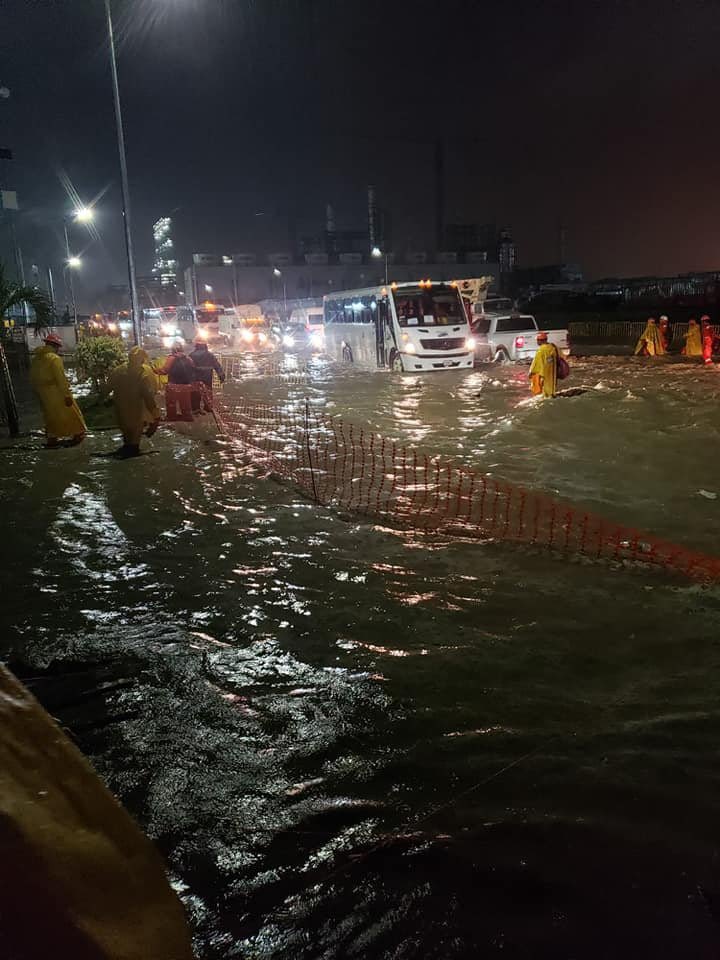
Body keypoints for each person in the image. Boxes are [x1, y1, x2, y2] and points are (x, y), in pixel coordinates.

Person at [29, 333, 86, 447]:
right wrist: (67, 395)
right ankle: (77, 434)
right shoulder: (54, 359)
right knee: (70, 412)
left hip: (42, 392)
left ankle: (52, 437)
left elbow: (32, 376)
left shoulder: (36, 358)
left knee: (49, 415)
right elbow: (60, 378)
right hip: (55, 391)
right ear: (55, 346)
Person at [106, 346, 161, 458]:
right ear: (141, 360)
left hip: (120, 409)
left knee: (126, 434)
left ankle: (126, 451)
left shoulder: (118, 370)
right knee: (134, 440)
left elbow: (106, 388)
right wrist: (156, 417)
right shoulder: (142, 374)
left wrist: (100, 401)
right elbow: (148, 397)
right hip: (136, 411)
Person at [156, 340, 195, 422]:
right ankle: (187, 416)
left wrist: (155, 370)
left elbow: (164, 371)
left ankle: (172, 416)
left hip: (173, 385)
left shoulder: (171, 358)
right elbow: (193, 369)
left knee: (171, 403)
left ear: (173, 349)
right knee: (185, 402)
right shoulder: (188, 358)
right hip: (185, 385)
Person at [189, 338, 225, 413]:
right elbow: (217, 365)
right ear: (205, 346)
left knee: (195, 392)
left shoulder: (191, 355)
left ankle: (196, 408)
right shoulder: (210, 355)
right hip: (207, 376)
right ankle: (208, 407)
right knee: (208, 391)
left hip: (195, 377)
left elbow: (187, 367)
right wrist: (221, 375)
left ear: (196, 346)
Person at [528, 331, 558, 398]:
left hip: (544, 372)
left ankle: (547, 396)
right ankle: (552, 394)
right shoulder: (552, 347)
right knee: (551, 386)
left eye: (537, 340)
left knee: (544, 387)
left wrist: (530, 372)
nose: (537, 342)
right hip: (552, 372)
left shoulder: (541, 350)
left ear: (540, 341)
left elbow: (535, 364)